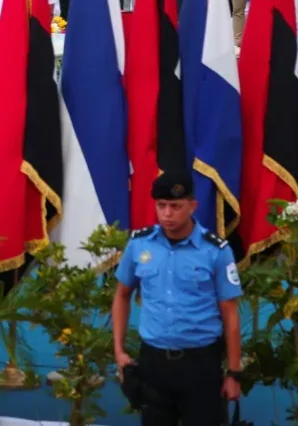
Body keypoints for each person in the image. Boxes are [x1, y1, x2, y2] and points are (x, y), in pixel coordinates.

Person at [112, 172, 244, 425]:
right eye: (161, 205)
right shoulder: (139, 245)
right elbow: (122, 295)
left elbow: (230, 312)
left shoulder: (215, 250)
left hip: (200, 364)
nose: (167, 214)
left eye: (175, 206)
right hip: (154, 362)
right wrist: (118, 351)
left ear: (193, 206)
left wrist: (234, 373)